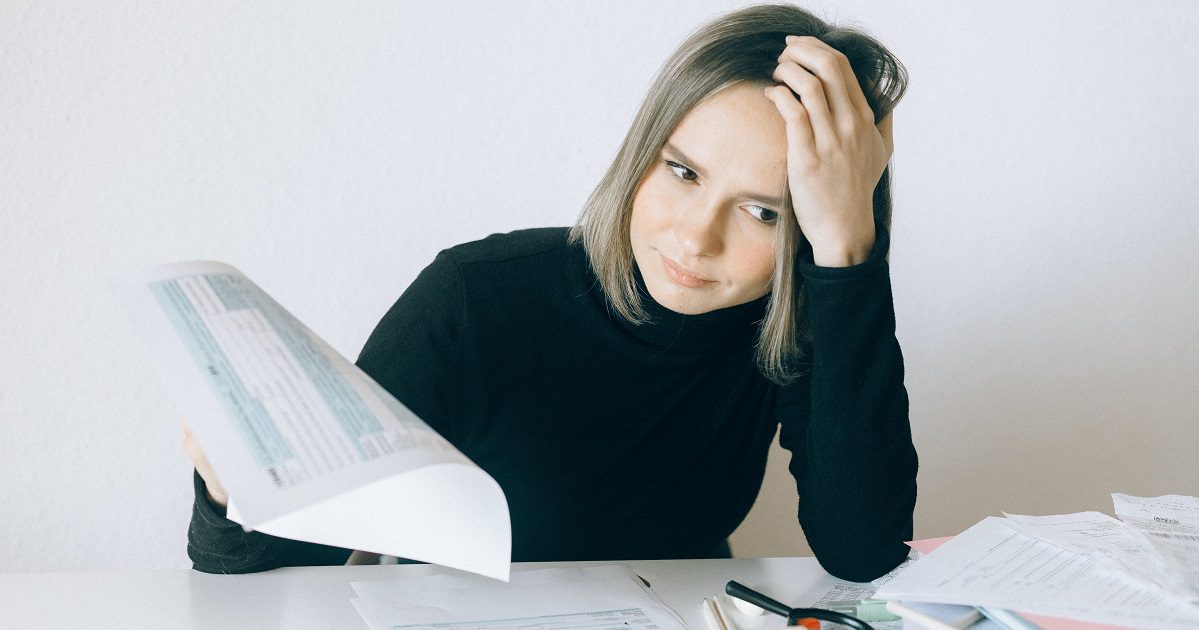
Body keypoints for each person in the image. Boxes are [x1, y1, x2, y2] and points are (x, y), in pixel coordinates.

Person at [183, 2, 917, 583]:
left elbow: (863, 551)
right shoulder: (473, 300)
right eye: (682, 172)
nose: (697, 238)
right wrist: (232, 489)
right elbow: (267, 570)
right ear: (642, 152)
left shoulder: (796, 323)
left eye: (764, 212)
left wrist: (849, 253)